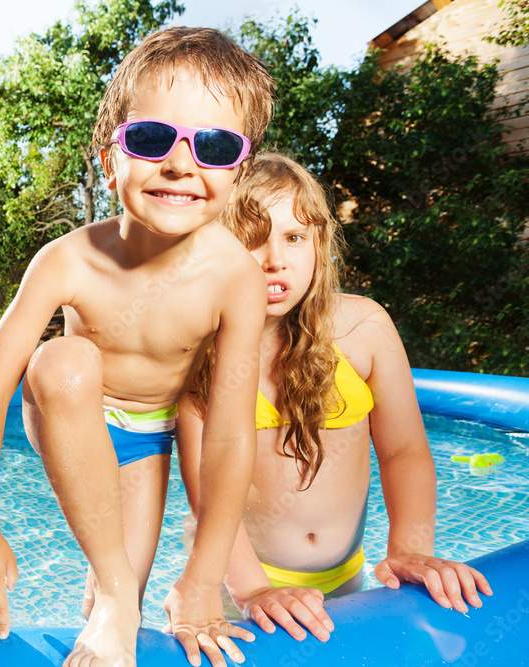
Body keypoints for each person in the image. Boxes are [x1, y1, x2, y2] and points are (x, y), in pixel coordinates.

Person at [0, 27, 274, 667]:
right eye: (153, 138)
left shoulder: (235, 275)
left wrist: (205, 578)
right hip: (74, 411)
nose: (181, 165)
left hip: (155, 436)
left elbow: (233, 437)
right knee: (64, 360)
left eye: (213, 146)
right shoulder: (66, 261)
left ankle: (109, 593)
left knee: (120, 594)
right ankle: (110, 588)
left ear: (238, 174)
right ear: (110, 157)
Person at [177, 153, 493, 644]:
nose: (274, 258)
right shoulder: (201, 357)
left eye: (294, 237)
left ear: (320, 247)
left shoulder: (363, 327)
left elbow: (403, 450)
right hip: (236, 578)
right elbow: (207, 497)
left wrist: (409, 548)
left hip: (347, 577)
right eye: (251, 239)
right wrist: (251, 590)